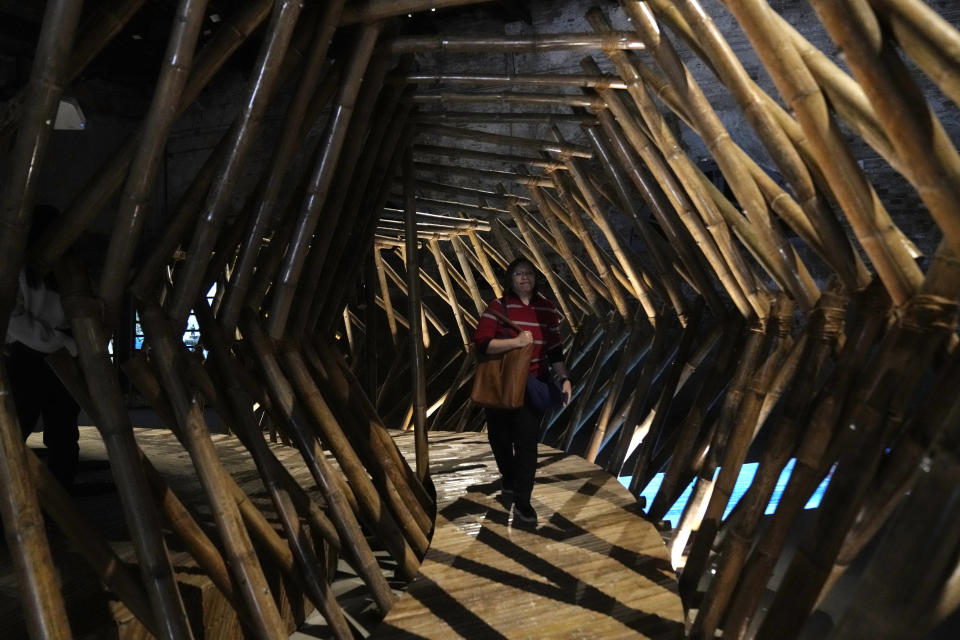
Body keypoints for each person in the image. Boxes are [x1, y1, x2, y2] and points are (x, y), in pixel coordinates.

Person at [472, 257, 573, 523]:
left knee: (527, 443)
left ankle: (522, 501)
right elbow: (482, 344)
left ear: (535, 277)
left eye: (528, 273)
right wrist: (516, 342)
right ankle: (509, 476)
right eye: (518, 273)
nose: (524, 277)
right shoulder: (498, 307)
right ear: (510, 279)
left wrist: (564, 378)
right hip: (503, 383)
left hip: (533, 382)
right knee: (499, 437)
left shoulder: (547, 309)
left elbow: (554, 349)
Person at [3, 205, 80, 490]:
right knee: (19, 432)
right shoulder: (22, 270)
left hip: (42, 356)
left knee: (62, 435)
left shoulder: (64, 271)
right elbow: (14, 321)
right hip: (34, 358)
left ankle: (60, 504)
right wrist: (66, 344)